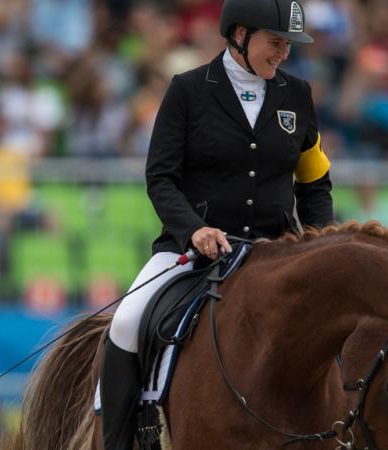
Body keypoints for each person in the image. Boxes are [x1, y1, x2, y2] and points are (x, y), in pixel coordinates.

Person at [100, 1, 334, 448]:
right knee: (127, 322)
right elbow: (161, 178)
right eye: (276, 42)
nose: (283, 53)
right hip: (193, 249)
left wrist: (321, 242)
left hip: (273, 252)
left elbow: (315, 181)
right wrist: (194, 230)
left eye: (288, 45)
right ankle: (117, 440)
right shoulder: (188, 90)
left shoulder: (297, 96)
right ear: (241, 34)